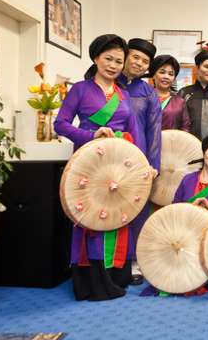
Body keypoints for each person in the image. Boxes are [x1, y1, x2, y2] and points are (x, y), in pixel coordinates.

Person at [54, 34, 139, 301]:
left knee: (116, 212)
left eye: (118, 61)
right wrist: (91, 135)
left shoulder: (123, 95)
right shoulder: (80, 89)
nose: (113, 65)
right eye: (108, 59)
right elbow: (61, 124)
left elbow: (134, 132)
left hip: (118, 162)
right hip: (89, 162)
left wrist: (141, 163)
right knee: (90, 214)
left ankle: (115, 275)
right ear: (96, 58)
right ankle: (91, 281)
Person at [118, 38, 162, 285]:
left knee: (137, 207)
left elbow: (155, 129)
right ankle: (113, 259)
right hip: (112, 155)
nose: (139, 63)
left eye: (144, 61)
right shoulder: (110, 85)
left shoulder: (148, 92)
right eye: (135, 56)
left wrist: (152, 163)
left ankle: (134, 260)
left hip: (139, 155)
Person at [149, 54, 190, 131]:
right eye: (162, 72)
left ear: (174, 78)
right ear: (153, 75)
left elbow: (185, 127)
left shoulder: (180, 102)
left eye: (171, 74)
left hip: (171, 142)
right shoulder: (144, 98)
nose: (166, 77)